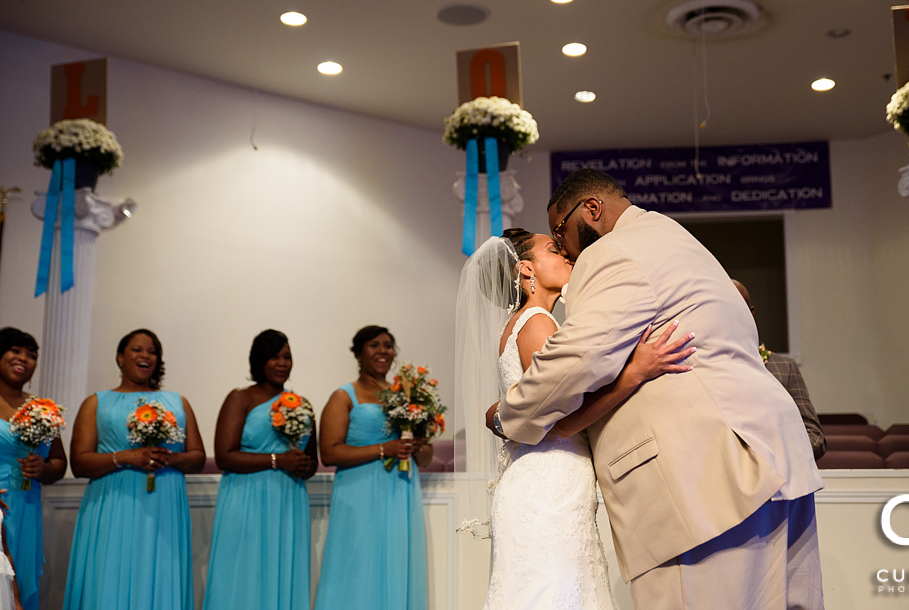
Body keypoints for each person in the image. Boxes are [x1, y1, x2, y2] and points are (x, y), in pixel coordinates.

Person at [496, 169, 825, 610]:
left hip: (707, 477)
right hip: (771, 456)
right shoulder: (673, 235)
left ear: (592, 209)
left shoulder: (612, 251)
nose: (565, 247)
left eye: (561, 231)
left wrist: (509, 416)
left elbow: (580, 357)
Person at [460, 229, 694, 609]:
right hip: (548, 484)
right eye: (554, 250)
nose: (568, 257)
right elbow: (561, 418)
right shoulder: (537, 320)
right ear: (525, 270)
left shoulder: (525, 321)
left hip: (547, 478)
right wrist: (635, 372)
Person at [63, 329, 205, 610]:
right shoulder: (97, 402)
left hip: (164, 504)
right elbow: (79, 463)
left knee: (161, 571)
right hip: (114, 502)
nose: (145, 356)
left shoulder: (178, 402)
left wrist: (169, 458)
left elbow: (197, 458)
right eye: (137, 350)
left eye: (152, 351)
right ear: (120, 357)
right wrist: (127, 457)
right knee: (111, 571)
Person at [315, 326, 432, 610]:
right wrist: (384, 449)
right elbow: (329, 452)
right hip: (359, 491)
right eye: (374, 345)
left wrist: (417, 446)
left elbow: (426, 456)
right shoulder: (344, 396)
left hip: (401, 489)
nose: (383, 351)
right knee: (359, 561)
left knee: (395, 558)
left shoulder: (408, 397)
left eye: (388, 346)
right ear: (358, 353)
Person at [203, 330, 317, 610]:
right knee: (244, 571)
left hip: (289, 500)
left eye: (287, 357)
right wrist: (278, 460)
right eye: (274, 357)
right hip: (246, 498)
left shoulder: (303, 405)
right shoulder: (241, 398)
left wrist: (303, 465)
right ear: (259, 360)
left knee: (282, 569)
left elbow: (312, 461)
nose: (282, 363)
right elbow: (225, 457)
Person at [0, 328, 65, 610]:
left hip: (25, 506)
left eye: (32, 355)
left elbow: (59, 464)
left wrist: (43, 467)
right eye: (16, 351)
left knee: (21, 581)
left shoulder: (42, 409)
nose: (24, 359)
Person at [733, 280, 827, 460]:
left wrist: (776, 457)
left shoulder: (785, 368)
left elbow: (815, 437)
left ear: (751, 313)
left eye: (737, 308)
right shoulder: (699, 367)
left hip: (781, 478)